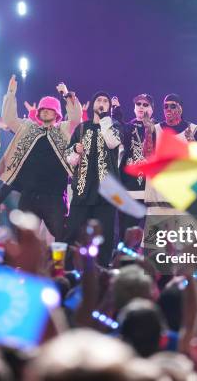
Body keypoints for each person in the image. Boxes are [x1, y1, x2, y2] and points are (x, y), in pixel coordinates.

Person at [0, 75, 81, 241]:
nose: (45, 111)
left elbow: (76, 119)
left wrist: (67, 95)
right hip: (29, 194)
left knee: (61, 236)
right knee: (24, 237)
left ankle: (60, 267)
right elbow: (9, 119)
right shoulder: (27, 126)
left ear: (57, 114)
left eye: (49, 109)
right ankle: (25, 267)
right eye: (43, 109)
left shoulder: (63, 129)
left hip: (55, 195)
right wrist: (11, 93)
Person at [64, 91, 121, 265]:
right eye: (99, 100)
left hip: (106, 192)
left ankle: (102, 269)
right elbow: (68, 157)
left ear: (109, 107)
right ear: (93, 104)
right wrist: (75, 150)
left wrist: (105, 119)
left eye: (105, 101)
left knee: (104, 234)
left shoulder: (114, 126)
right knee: (73, 232)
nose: (102, 103)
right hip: (82, 190)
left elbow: (112, 142)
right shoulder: (81, 128)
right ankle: (69, 270)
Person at [143, 93, 197, 216]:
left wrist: (191, 140)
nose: (168, 109)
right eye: (166, 106)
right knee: (158, 235)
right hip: (159, 195)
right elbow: (147, 156)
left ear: (180, 108)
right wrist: (148, 133)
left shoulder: (192, 129)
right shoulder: (154, 129)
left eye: (173, 106)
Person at [118, 94, 155, 234]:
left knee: (153, 237)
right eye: (138, 104)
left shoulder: (158, 128)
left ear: (152, 109)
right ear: (134, 108)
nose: (141, 107)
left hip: (152, 192)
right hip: (129, 189)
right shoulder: (126, 128)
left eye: (146, 105)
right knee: (126, 234)